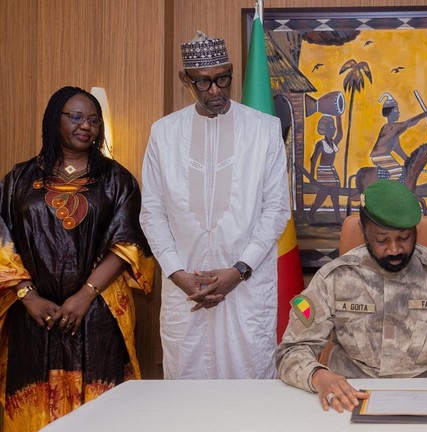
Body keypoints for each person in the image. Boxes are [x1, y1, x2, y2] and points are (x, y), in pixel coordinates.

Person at [277, 180, 427, 412]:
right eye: (382, 240)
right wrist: (319, 377)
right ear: (362, 230)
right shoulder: (333, 278)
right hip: (349, 401)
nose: (395, 249)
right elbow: (291, 351)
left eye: (404, 238)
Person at [0, 86, 154, 431]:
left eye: (94, 120)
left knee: (102, 411)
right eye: (77, 117)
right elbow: (1, 241)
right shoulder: (18, 179)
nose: (87, 126)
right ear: (55, 120)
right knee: (32, 405)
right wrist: (29, 296)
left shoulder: (117, 180)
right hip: (33, 317)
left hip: (98, 314)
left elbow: (127, 243)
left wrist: (84, 295)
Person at [140, 31, 290, 379]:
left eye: (223, 79)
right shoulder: (163, 133)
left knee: (249, 383)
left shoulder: (264, 130)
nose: (215, 91)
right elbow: (152, 212)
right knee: (188, 391)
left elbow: (276, 210)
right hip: (186, 288)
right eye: (203, 83)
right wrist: (178, 274)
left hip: (246, 287)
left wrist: (238, 271)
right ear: (185, 80)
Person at [369, 93, 427, 181]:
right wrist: (423, 115)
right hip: (380, 157)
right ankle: (388, 191)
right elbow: (408, 123)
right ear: (391, 112)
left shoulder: (394, 133)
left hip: (383, 156)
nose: (398, 112)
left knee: (403, 171)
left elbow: (398, 151)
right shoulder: (390, 128)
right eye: (396, 110)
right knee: (397, 172)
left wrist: (411, 162)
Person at [308, 114, 344, 224]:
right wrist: (311, 176)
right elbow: (313, 159)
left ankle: (336, 216)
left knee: (331, 191)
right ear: (326, 129)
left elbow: (340, 134)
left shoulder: (333, 143)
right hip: (323, 171)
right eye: (331, 127)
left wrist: (338, 116)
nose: (333, 130)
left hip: (331, 170)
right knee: (328, 191)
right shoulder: (321, 144)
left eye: (333, 127)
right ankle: (313, 212)